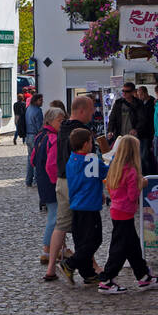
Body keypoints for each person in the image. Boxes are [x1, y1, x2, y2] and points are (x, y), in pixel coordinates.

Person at [97, 134, 158, 292]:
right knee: (120, 249)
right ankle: (107, 279)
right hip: (125, 211)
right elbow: (132, 195)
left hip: (117, 210)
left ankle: (143, 276)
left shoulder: (115, 167)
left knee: (133, 247)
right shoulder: (131, 171)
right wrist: (141, 184)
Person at [43, 93, 94, 280]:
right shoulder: (82, 132)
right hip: (78, 182)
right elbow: (90, 163)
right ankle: (90, 266)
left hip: (61, 180)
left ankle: (50, 268)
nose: (93, 112)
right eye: (90, 109)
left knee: (61, 225)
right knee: (85, 226)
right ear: (81, 111)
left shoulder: (62, 127)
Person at [59, 127, 111, 284]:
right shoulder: (91, 160)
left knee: (82, 241)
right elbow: (106, 171)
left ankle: (87, 273)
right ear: (85, 144)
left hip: (77, 205)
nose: (92, 144)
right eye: (91, 141)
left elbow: (86, 180)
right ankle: (70, 264)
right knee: (94, 240)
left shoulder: (73, 158)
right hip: (90, 207)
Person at [31, 106, 64, 263]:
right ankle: (46, 250)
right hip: (51, 182)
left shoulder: (40, 136)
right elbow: (52, 165)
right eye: (60, 120)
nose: (62, 123)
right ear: (51, 121)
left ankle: (58, 248)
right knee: (55, 217)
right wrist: (56, 182)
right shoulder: (53, 139)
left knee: (55, 215)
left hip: (42, 180)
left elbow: (32, 160)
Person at [24, 93, 44, 185]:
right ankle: (36, 180)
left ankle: (28, 180)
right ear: (36, 100)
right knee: (37, 159)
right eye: (40, 100)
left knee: (30, 159)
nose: (42, 102)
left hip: (28, 136)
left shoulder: (28, 108)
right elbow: (39, 126)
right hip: (35, 136)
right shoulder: (38, 110)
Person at [136, 85, 156, 175]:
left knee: (145, 156)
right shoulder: (140, 103)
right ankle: (144, 174)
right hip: (141, 133)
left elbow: (148, 119)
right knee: (141, 156)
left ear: (145, 93)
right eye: (138, 95)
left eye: (140, 95)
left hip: (148, 133)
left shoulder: (153, 102)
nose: (139, 97)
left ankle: (149, 174)